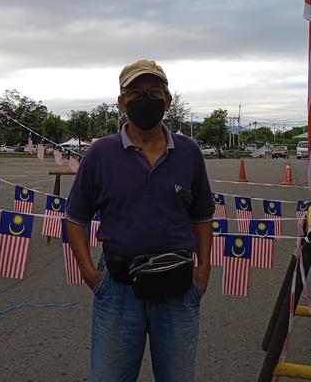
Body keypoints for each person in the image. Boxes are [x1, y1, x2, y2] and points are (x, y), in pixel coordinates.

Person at [65, 59, 215, 382]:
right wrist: (91, 275)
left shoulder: (189, 153)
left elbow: (203, 216)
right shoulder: (99, 155)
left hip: (178, 291)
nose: (145, 99)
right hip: (118, 291)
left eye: (154, 91)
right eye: (135, 93)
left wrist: (203, 271)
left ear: (168, 99)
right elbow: (75, 218)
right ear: (121, 103)